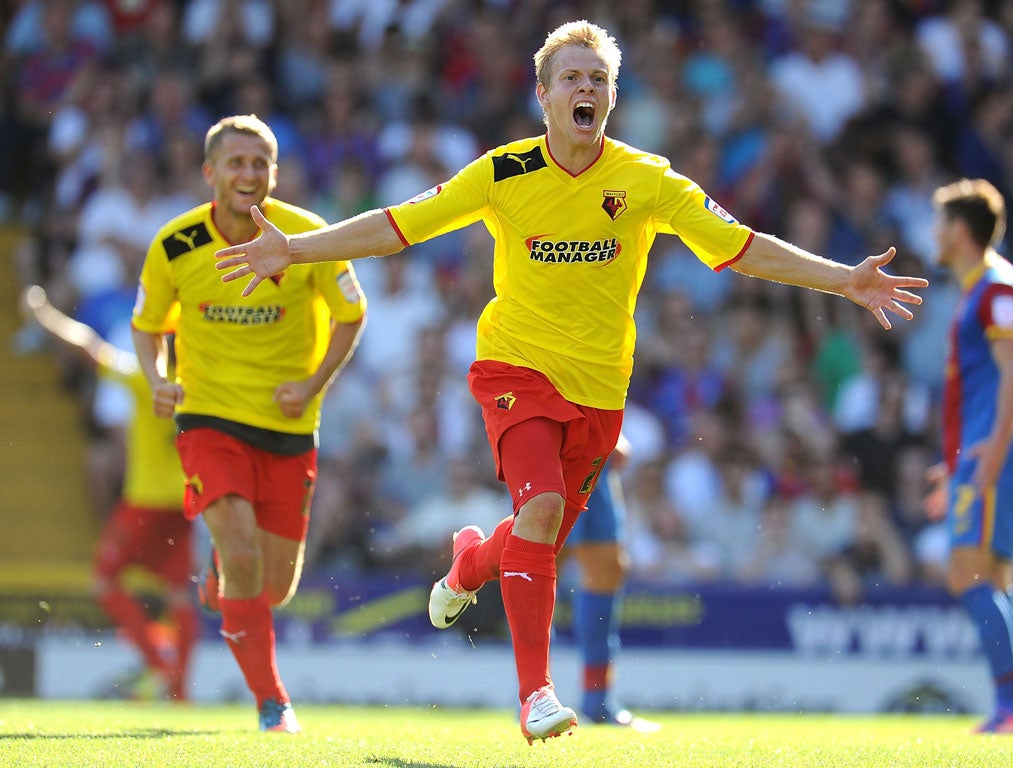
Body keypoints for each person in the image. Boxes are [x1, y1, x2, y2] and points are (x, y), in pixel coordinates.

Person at [214, 20, 927, 744]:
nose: (585, 88)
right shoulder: (504, 172)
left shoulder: (646, 179)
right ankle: (537, 696)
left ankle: (469, 563)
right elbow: (400, 225)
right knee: (545, 509)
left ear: (612, 97)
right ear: (544, 95)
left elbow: (741, 247)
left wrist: (845, 280)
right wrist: (295, 249)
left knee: (537, 539)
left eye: (598, 79)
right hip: (514, 370)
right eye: (572, 78)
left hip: (598, 393)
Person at [131, 114, 367, 733]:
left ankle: (224, 583)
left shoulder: (309, 235)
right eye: (236, 163)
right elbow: (149, 324)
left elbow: (351, 313)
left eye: (260, 163)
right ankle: (272, 702)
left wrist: (313, 385)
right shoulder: (175, 244)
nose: (248, 173)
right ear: (210, 173)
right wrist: (158, 379)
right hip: (208, 419)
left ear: (275, 173)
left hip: (289, 427)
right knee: (239, 553)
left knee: (274, 586)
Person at [20, 284, 197, 701]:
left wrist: (44, 316)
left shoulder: (144, 380)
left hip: (146, 499)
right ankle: (179, 691)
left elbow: (88, 346)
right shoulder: (200, 389)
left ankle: (159, 664)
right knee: (177, 594)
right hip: (186, 501)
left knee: (104, 582)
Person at [923, 178, 1013, 735]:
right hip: (984, 451)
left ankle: (1010, 708)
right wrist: (958, 462)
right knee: (998, 578)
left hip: (997, 452)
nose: (933, 234)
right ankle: (1012, 708)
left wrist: (992, 455)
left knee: (968, 572)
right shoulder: (981, 290)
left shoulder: (998, 289)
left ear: (960, 230)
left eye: (938, 222)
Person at [558, 436, 658, 730]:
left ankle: (597, 701)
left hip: (597, 462)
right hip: (552, 453)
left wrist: (611, 434)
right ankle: (529, 696)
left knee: (608, 570)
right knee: (536, 567)